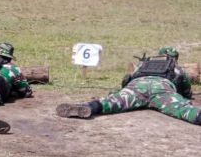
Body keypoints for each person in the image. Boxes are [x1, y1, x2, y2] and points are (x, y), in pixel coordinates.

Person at [57, 46, 200, 125]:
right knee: (183, 109)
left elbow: (127, 79)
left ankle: (89, 107)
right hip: (161, 88)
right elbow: (186, 90)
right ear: (174, 57)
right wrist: (183, 96)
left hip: (136, 86)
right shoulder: (175, 67)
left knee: (113, 102)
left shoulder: (144, 63)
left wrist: (120, 91)